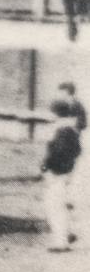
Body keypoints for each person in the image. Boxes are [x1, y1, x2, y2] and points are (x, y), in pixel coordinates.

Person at [41, 83, 86, 253]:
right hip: (65, 170)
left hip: (59, 172)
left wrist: (46, 168)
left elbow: (56, 153)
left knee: (55, 205)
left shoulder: (62, 131)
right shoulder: (66, 129)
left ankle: (62, 241)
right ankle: (64, 235)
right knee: (58, 204)